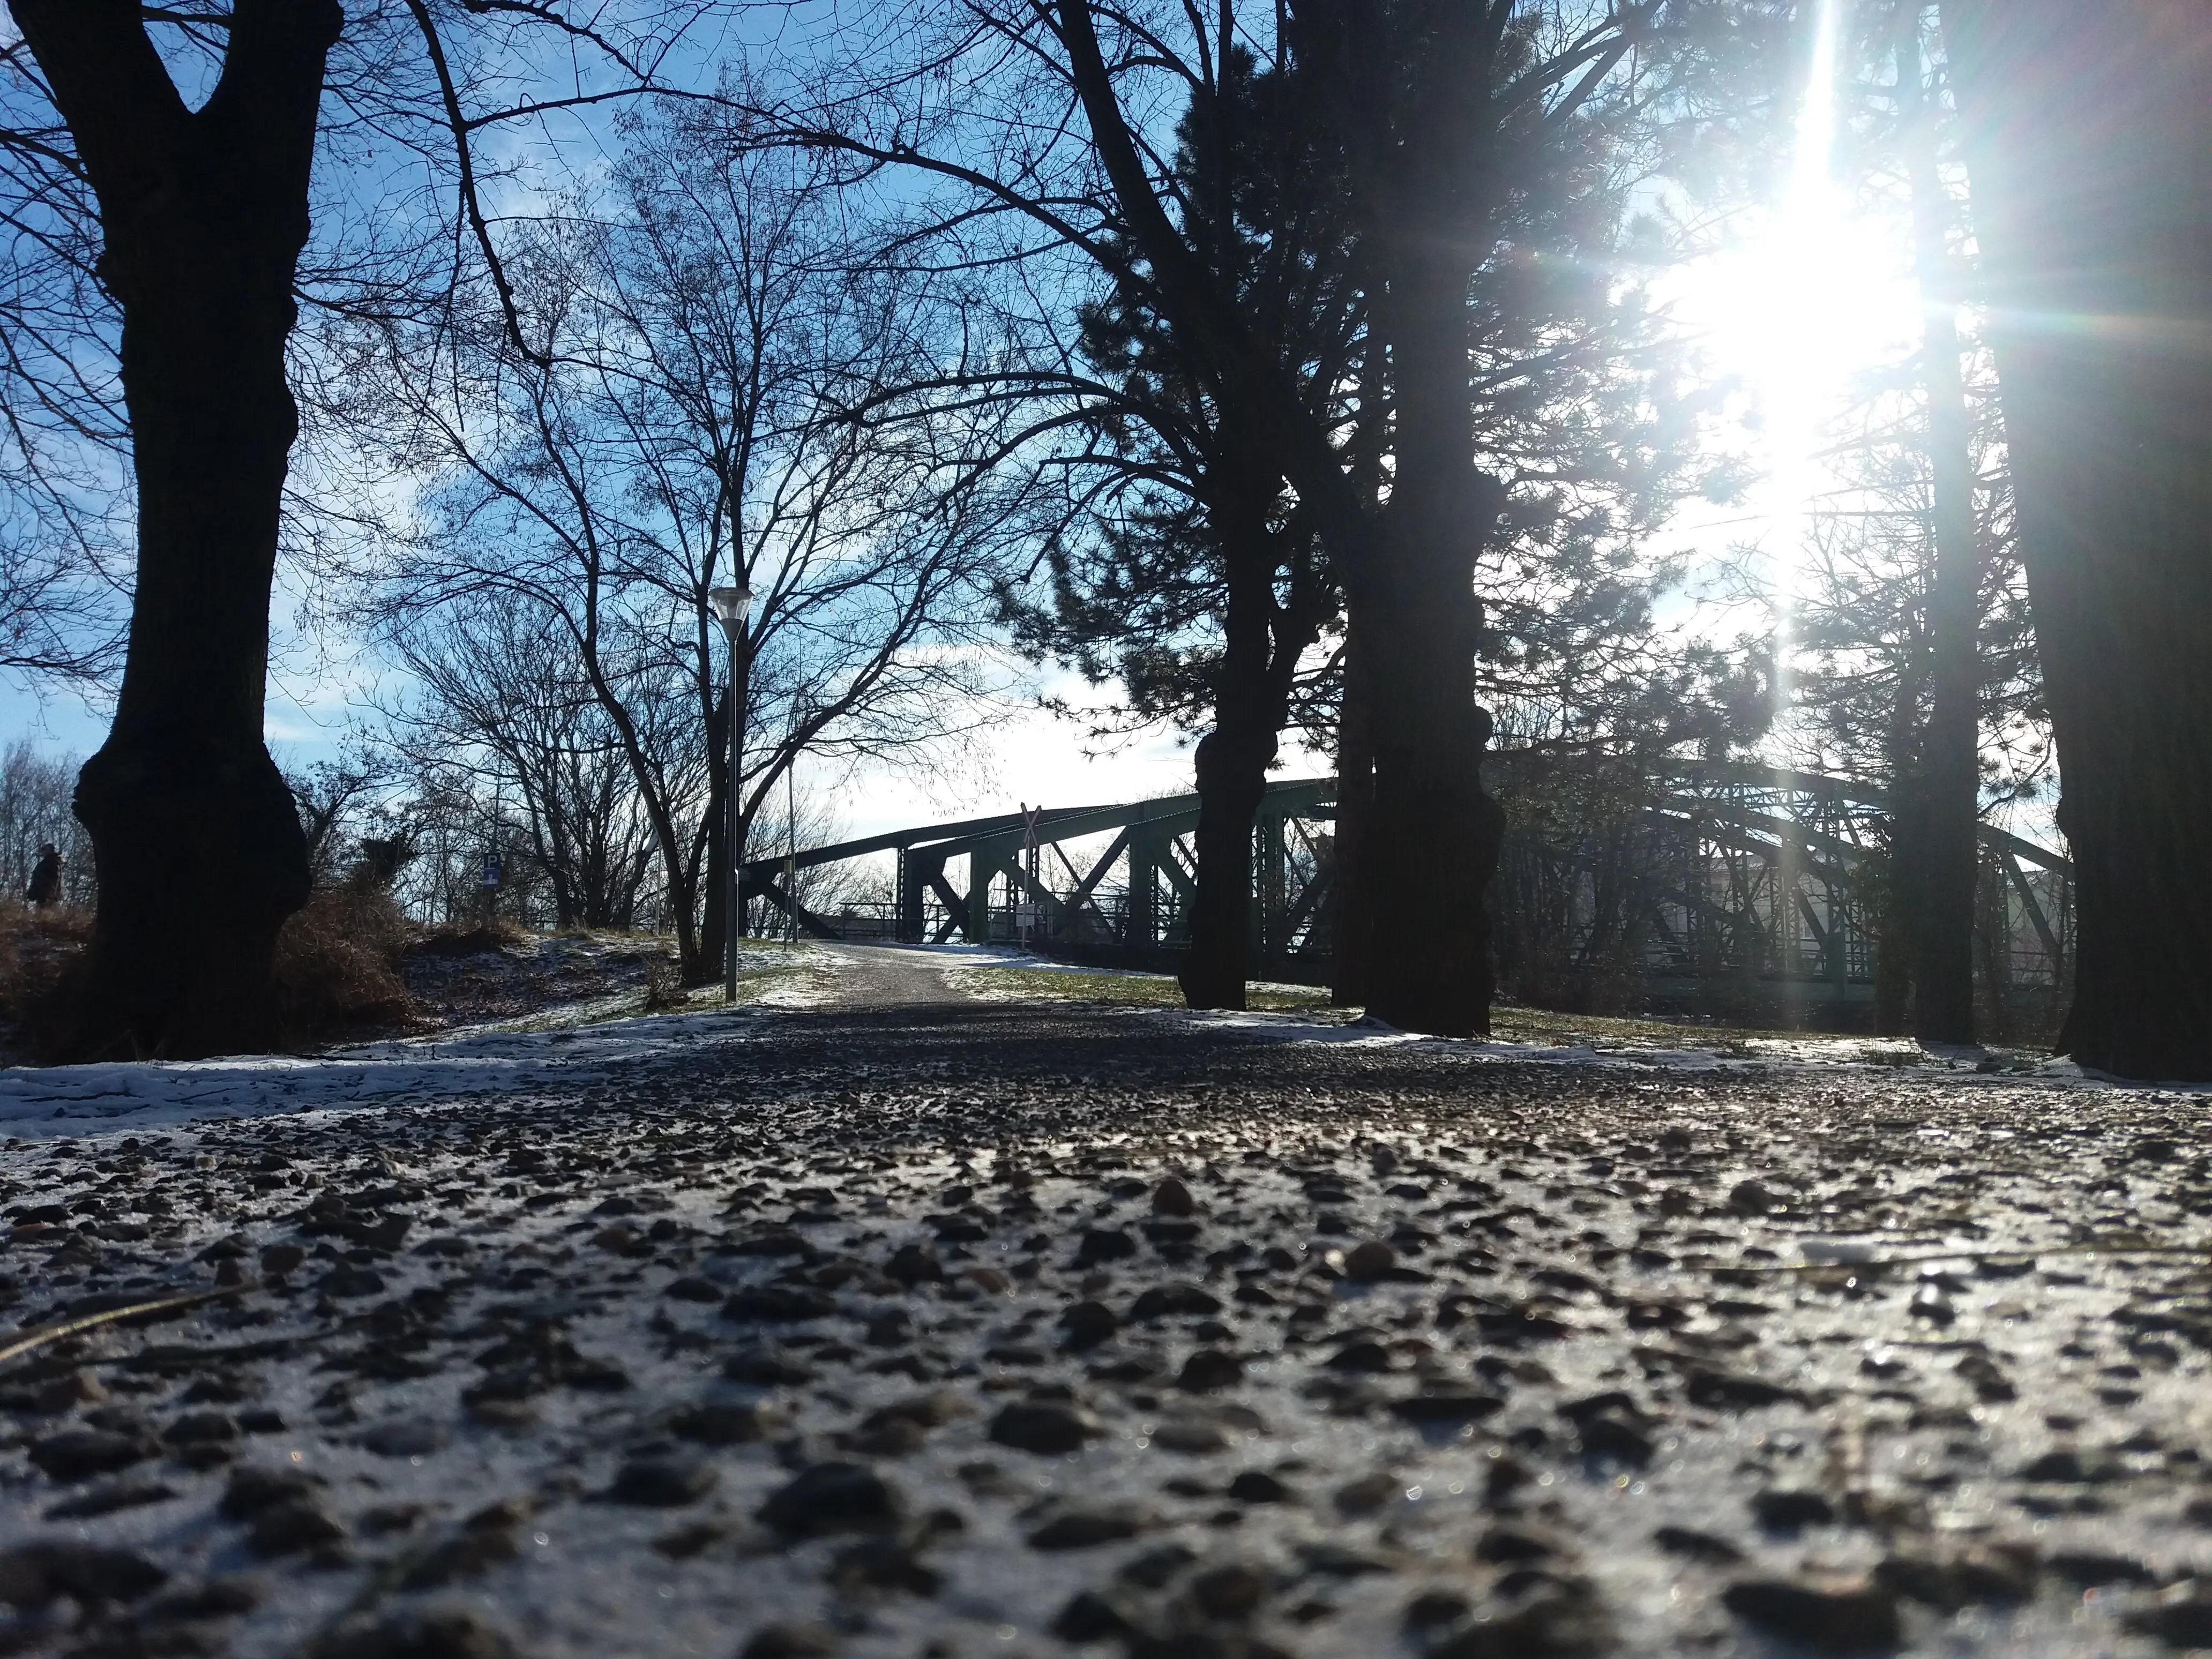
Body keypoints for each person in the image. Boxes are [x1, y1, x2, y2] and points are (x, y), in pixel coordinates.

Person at [25, 842, 61, 909]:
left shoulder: (52, 863)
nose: (43, 852)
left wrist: (51, 893)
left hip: (47, 896)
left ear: (49, 850)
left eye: (44, 849)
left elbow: (55, 880)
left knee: (44, 916)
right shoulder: (52, 862)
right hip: (45, 896)